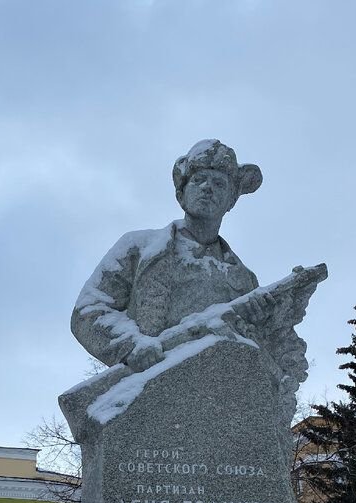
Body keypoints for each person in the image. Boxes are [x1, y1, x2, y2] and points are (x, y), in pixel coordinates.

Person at [70, 141, 321, 426]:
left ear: (231, 200)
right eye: (199, 180)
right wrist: (131, 345)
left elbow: (257, 352)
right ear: (181, 193)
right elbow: (88, 311)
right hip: (151, 398)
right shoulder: (138, 248)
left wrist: (271, 317)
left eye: (219, 183)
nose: (207, 188)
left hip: (222, 407)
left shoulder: (244, 279)